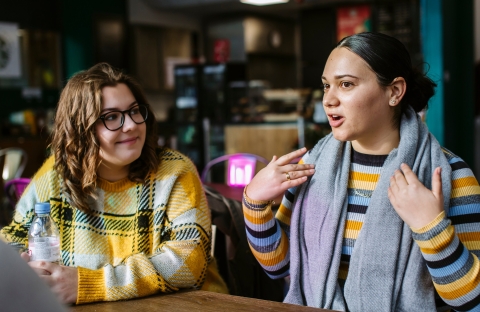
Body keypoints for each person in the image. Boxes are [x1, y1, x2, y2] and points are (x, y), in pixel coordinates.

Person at [243, 32, 480, 311]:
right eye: (326, 86)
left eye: (345, 84)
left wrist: (431, 228)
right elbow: (281, 267)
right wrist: (254, 202)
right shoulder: (311, 168)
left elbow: (471, 301)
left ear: (394, 92)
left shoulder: (450, 176)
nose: (329, 100)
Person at [0, 62, 227, 305]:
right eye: (111, 117)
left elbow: (187, 262)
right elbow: (12, 239)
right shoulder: (56, 175)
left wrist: (88, 283)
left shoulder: (174, 172)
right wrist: (22, 268)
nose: (130, 125)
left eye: (134, 111)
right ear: (80, 129)